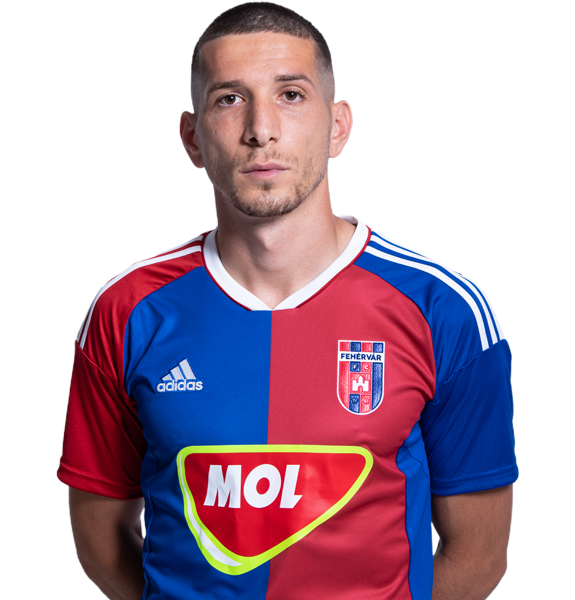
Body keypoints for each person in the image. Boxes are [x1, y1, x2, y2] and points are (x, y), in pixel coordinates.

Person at [57, 3, 518, 599]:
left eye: (291, 95)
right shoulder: (128, 312)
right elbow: (100, 540)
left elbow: (479, 555)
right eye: (229, 99)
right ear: (192, 138)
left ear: (338, 126)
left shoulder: (442, 310)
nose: (261, 128)